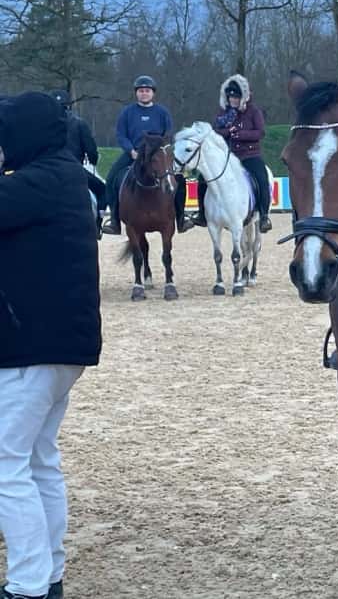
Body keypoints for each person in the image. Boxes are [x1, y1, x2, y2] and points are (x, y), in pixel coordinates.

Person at [0, 92, 102, 599]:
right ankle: (49, 574)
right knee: (39, 459)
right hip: (62, 348)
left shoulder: (38, 182)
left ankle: (27, 584)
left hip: (30, 348)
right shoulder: (66, 177)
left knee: (6, 463)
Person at [101, 76, 192, 235]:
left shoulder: (162, 112)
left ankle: (181, 218)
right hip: (134, 153)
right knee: (112, 178)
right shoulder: (127, 112)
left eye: (147, 91)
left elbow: (169, 133)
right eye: (141, 91)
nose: (144, 93)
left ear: (153, 93)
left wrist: (162, 149)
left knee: (179, 179)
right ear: (136, 93)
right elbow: (121, 134)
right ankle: (115, 220)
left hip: (158, 155)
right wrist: (131, 151)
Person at [193, 75, 272, 233]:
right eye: (230, 97)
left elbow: (260, 132)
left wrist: (241, 134)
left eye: (235, 97)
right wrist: (228, 132)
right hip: (228, 156)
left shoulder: (253, 111)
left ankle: (264, 216)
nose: (232, 100)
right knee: (202, 178)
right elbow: (215, 131)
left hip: (249, 155)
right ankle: (202, 213)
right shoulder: (223, 113)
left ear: (242, 97)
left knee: (262, 177)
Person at [48, 90, 106, 233]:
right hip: (74, 170)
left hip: (47, 169)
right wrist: (93, 159)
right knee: (102, 189)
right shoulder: (80, 124)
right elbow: (91, 150)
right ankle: (98, 224)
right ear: (69, 106)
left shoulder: (42, 124)